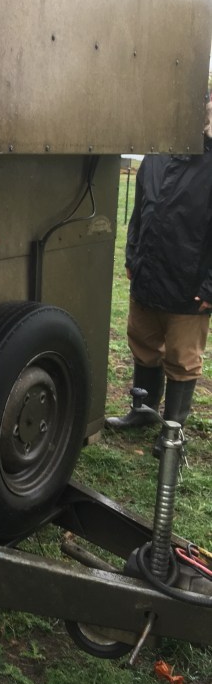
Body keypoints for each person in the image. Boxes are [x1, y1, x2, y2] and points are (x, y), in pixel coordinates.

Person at [106, 97, 212, 451]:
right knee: (143, 343)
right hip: (148, 275)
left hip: (188, 286)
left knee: (182, 359)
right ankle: (144, 411)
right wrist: (132, 256)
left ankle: (172, 431)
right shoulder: (155, 155)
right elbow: (139, 211)